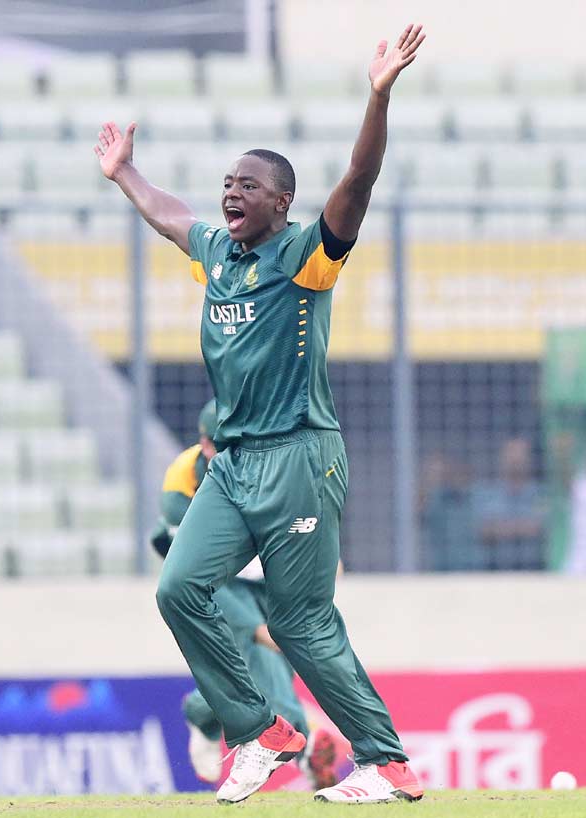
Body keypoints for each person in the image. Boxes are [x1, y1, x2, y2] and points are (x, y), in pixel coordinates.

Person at [95, 23, 425, 805]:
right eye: (227, 183)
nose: (231, 194)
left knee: (299, 621)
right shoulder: (219, 254)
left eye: (248, 185)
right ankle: (261, 730)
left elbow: (359, 178)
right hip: (235, 463)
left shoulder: (306, 258)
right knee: (179, 589)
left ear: (283, 202)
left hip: (300, 457)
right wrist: (125, 173)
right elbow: (171, 215)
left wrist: (378, 98)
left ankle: (384, 761)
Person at [151, 399, 338, 789]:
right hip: (217, 578)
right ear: (206, 446)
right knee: (262, 658)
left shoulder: (274, 463)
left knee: (271, 665)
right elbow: (191, 572)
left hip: (265, 574)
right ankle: (303, 752)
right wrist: (254, 627)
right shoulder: (182, 484)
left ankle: (203, 711)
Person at [471, 437, 547, 570]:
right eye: (511, 455)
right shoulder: (486, 492)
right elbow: (483, 530)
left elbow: (542, 528)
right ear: (501, 458)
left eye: (520, 456)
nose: (515, 461)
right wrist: (525, 526)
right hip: (494, 569)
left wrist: (500, 527)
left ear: (529, 460)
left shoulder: (541, 493)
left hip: (535, 568)